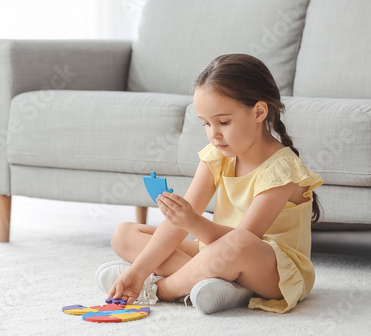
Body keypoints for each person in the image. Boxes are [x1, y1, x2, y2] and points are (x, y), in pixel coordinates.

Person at [95, 53, 324, 314]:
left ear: (259, 112)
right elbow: (178, 227)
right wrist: (138, 271)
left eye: (223, 122)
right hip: (216, 253)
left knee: (237, 244)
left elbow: (244, 240)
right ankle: (215, 286)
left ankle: (162, 289)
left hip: (272, 271)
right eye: (206, 123)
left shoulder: (282, 170)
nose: (213, 134)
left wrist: (191, 221)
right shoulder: (217, 155)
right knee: (124, 234)